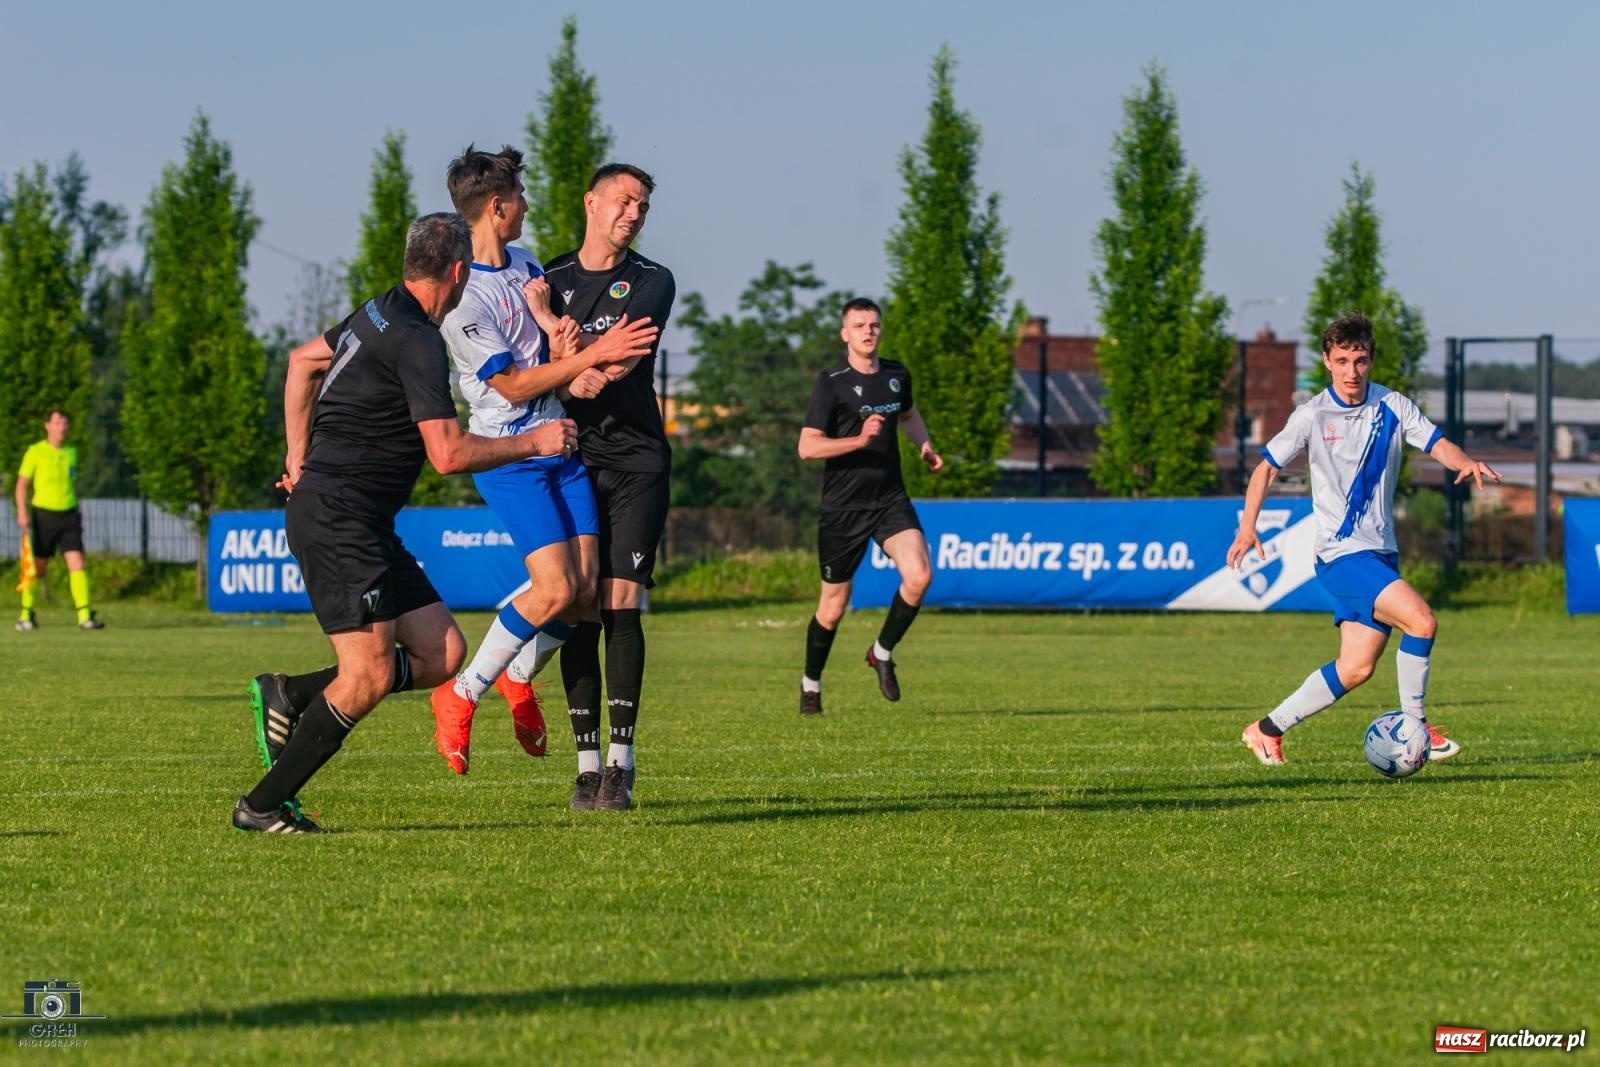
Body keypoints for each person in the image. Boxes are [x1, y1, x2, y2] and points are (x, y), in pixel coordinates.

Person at [232, 213, 576, 833]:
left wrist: (296, 455)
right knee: (367, 675)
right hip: (340, 518)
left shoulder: (380, 308)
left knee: (442, 653)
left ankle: (293, 694)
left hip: (359, 517)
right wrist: (537, 441)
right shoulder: (418, 339)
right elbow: (448, 454)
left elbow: (303, 361)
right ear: (459, 271)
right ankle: (262, 806)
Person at [427, 145, 658, 777]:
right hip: (512, 454)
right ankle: (461, 692)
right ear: (496, 207)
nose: (527, 205)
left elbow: (549, 355)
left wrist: (564, 345)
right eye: (520, 197)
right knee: (555, 587)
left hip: (560, 443)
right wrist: (590, 357)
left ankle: (518, 675)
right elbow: (510, 386)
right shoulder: (463, 295)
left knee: (583, 596)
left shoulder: (530, 265)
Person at [1227, 310, 1501, 766]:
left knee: (1355, 668)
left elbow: (1437, 444)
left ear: (1370, 360)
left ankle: (1266, 730)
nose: (1351, 371)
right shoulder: (1312, 414)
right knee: (1422, 621)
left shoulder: (1392, 405)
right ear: (1327, 361)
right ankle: (1415, 726)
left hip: (1381, 553)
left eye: (1359, 361)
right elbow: (1266, 468)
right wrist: (1247, 525)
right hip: (1341, 556)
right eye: (1342, 361)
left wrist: (1465, 462)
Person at [532, 163, 676, 810]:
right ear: (591, 202)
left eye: (642, 205)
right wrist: (571, 373)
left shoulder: (651, 279)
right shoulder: (550, 279)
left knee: (621, 603)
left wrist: (576, 364)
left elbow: (628, 351)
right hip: (575, 460)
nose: (634, 213)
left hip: (638, 461)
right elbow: (535, 366)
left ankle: (622, 761)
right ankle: (585, 766)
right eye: (624, 200)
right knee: (579, 607)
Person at [796, 297, 942, 715]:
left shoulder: (896, 375)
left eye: (874, 325)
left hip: (889, 499)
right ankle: (810, 684)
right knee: (832, 609)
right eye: (859, 325)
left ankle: (881, 652)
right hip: (843, 508)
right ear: (845, 333)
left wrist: (925, 445)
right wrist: (859, 440)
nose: (868, 331)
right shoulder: (831, 382)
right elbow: (807, 447)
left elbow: (908, 415)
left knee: (920, 576)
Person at [14, 411, 102, 631]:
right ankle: (26, 615)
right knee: (38, 567)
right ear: (47, 426)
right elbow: (21, 485)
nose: (62, 427)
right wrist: (22, 512)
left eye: (65, 423)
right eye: (57, 423)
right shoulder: (36, 452)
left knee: (77, 563)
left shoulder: (72, 452)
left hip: (69, 515)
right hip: (44, 515)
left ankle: (84, 616)